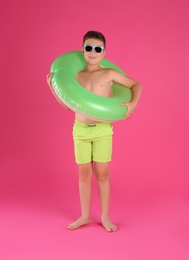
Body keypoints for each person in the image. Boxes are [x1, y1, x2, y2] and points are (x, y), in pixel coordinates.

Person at [46, 30, 142, 232]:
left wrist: (132, 104)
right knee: (83, 173)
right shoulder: (77, 76)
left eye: (97, 49)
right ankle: (84, 216)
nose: (92, 52)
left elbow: (135, 84)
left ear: (104, 53)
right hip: (80, 130)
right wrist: (52, 88)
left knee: (102, 174)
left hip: (102, 130)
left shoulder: (109, 74)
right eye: (88, 48)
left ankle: (106, 217)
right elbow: (68, 106)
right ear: (82, 51)